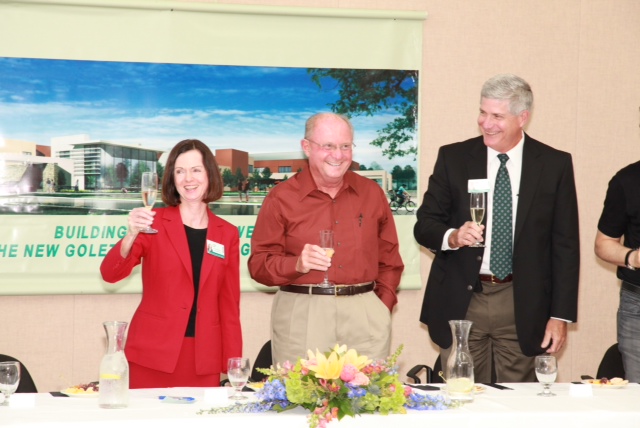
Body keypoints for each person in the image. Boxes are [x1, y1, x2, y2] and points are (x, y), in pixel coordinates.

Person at [414, 74, 580, 382]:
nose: (486, 123)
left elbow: (566, 245)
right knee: (461, 393)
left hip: (523, 302)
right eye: (482, 112)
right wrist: (453, 236)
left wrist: (560, 315)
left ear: (522, 118)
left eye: (497, 116)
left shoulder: (554, 164)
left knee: (519, 399)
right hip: (464, 299)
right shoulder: (453, 157)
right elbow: (425, 224)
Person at [248, 112, 404, 365]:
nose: (338, 155)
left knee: (370, 391)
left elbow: (390, 260)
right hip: (303, 313)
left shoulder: (372, 193)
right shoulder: (280, 198)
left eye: (345, 146)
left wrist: (380, 307)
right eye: (328, 146)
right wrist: (297, 264)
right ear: (307, 147)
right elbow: (258, 265)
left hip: (365, 313)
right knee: (301, 391)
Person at [100, 139, 242, 388]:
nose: (188, 179)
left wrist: (233, 365)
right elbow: (110, 274)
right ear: (172, 179)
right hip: (152, 352)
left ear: (209, 174)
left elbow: (229, 304)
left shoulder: (227, 233)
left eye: (196, 170)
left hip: (203, 357)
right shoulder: (153, 224)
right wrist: (131, 234)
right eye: (180, 171)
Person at [595, 161, 640, 382]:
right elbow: (603, 244)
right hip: (637, 305)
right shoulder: (627, 180)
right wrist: (633, 257)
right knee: (636, 394)